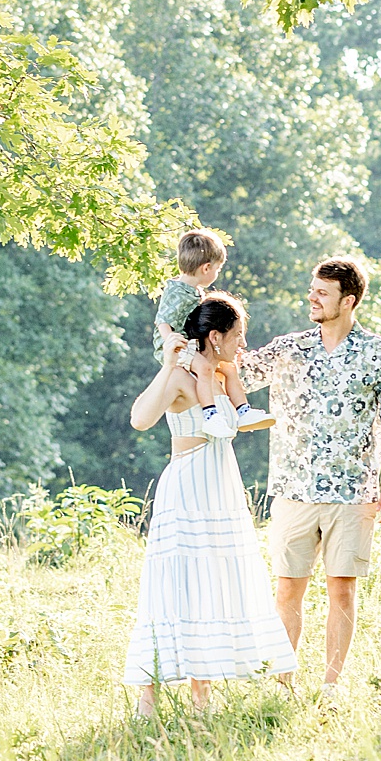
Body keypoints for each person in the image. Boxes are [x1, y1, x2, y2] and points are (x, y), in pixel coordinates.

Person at [236, 256, 381, 705]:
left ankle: (330, 686)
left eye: (322, 292)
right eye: (312, 290)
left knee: (342, 590)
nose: (311, 297)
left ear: (348, 301)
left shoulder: (377, 352)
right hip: (294, 489)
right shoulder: (289, 347)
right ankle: (282, 683)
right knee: (287, 588)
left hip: (353, 491)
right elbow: (234, 369)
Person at [124, 293, 297, 716]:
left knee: (215, 582)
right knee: (176, 585)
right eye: (238, 336)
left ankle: (201, 695)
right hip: (187, 486)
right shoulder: (184, 376)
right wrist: (166, 365)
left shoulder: (222, 376)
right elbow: (140, 419)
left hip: (220, 485)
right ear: (215, 336)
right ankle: (149, 698)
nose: (243, 345)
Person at [156, 228, 272, 440]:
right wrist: (170, 343)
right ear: (206, 267)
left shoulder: (193, 290)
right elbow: (162, 321)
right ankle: (210, 415)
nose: (217, 273)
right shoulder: (177, 290)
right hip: (176, 345)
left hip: (188, 343)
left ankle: (243, 411)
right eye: (218, 269)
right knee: (205, 368)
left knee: (229, 368)